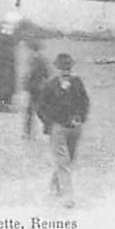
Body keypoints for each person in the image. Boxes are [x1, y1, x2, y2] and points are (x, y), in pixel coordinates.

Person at [37, 53, 90, 208]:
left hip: (74, 128)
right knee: (63, 161)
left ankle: (54, 188)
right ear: (57, 69)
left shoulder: (77, 83)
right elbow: (40, 107)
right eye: (62, 68)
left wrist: (80, 117)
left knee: (68, 160)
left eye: (68, 68)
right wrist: (50, 123)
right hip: (58, 128)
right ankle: (68, 197)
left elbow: (85, 102)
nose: (65, 72)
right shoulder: (50, 85)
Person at [0, 11, 21, 112]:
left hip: (5, 61)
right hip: (3, 62)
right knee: (3, 81)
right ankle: (0, 102)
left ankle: (1, 101)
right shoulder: (4, 33)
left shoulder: (4, 31)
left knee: (5, 81)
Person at [24, 37, 50, 137]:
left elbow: (45, 73)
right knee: (30, 110)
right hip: (34, 88)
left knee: (39, 110)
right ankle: (28, 131)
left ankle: (47, 126)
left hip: (38, 88)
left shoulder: (39, 60)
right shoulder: (34, 59)